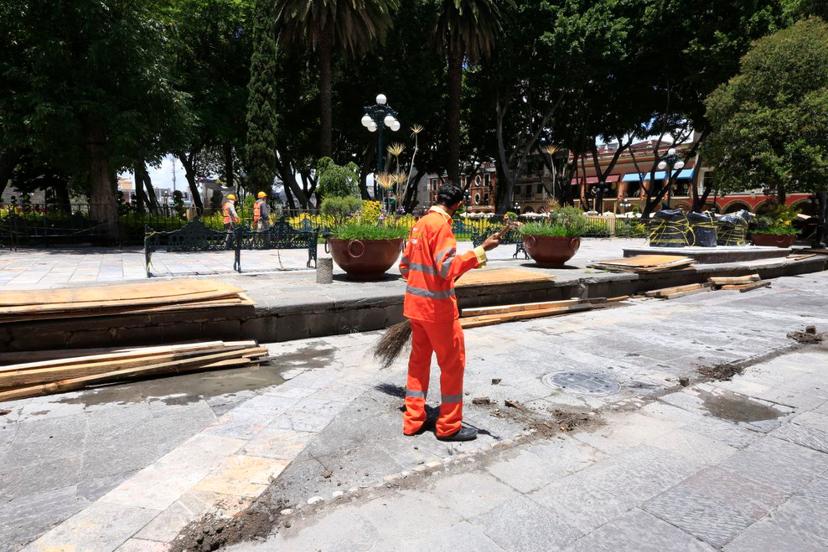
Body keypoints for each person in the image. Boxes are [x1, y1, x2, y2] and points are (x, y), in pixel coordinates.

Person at [398, 183, 501, 442]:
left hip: (415, 309)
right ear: (457, 205)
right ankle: (448, 426)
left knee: (418, 365)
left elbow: (404, 267)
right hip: (437, 312)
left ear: (437, 198)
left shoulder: (419, 224)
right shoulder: (441, 227)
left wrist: (422, 284)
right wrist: (481, 251)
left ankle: (413, 420)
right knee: (453, 366)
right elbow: (447, 269)